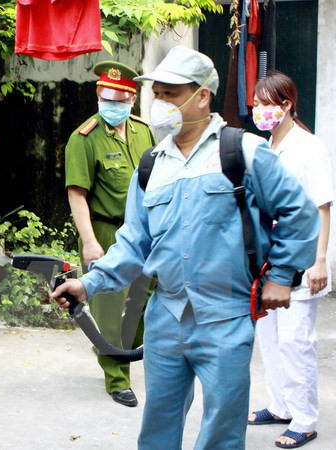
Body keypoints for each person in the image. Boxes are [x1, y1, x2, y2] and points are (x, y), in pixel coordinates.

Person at [52, 46, 320, 449]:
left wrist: (282, 277)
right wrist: (88, 284)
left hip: (226, 314)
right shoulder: (151, 165)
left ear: (202, 96)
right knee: (158, 422)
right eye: (156, 93)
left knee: (222, 427)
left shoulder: (242, 151)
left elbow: (300, 213)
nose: (160, 103)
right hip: (167, 315)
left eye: (170, 94)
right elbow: (133, 243)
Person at [248, 72, 332, 449]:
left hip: (300, 261)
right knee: (270, 338)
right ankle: (281, 406)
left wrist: (320, 261)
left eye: (270, 103)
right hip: (270, 260)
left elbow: (322, 206)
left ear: (287, 105)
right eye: (257, 102)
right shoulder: (266, 145)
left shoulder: (308, 147)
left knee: (295, 341)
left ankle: (305, 418)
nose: (262, 110)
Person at [64, 61, 155, 407]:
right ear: (98, 95)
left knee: (143, 302)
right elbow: (77, 194)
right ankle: (117, 377)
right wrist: (89, 241)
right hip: (104, 229)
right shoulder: (83, 138)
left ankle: (122, 352)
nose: (112, 105)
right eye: (106, 97)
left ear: (132, 100)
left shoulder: (143, 131)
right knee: (107, 306)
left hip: (141, 231)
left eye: (120, 99)